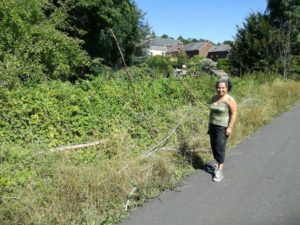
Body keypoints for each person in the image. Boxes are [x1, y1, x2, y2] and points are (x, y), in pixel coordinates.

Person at [208, 78, 237, 182]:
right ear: (216, 88)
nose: (221, 90)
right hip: (212, 126)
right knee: (214, 147)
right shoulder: (214, 98)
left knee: (220, 147)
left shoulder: (229, 99)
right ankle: (217, 164)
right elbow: (211, 112)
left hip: (222, 127)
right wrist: (209, 125)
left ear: (227, 88)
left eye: (223, 88)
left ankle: (219, 170)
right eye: (219, 87)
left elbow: (234, 114)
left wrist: (230, 127)